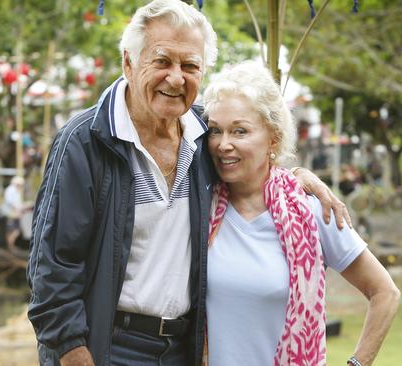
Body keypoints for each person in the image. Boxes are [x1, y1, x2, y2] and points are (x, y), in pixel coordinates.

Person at [27, 1, 350, 365]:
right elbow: (52, 272)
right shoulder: (86, 142)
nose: (176, 78)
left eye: (190, 66)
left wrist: (298, 178)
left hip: (185, 349)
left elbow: (251, 165)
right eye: (162, 61)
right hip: (108, 347)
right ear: (128, 63)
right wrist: (74, 355)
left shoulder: (204, 138)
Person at [202, 61, 400, 366]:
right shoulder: (199, 204)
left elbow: (385, 293)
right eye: (216, 131)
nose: (223, 144)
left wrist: (357, 363)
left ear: (273, 139)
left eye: (239, 131)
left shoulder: (311, 210)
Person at [1, 176, 25, 252]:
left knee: (10, 230)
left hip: (13, 212)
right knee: (16, 230)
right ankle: (10, 246)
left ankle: (10, 246)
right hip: (11, 213)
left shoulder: (15, 190)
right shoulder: (11, 190)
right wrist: (17, 209)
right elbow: (10, 201)